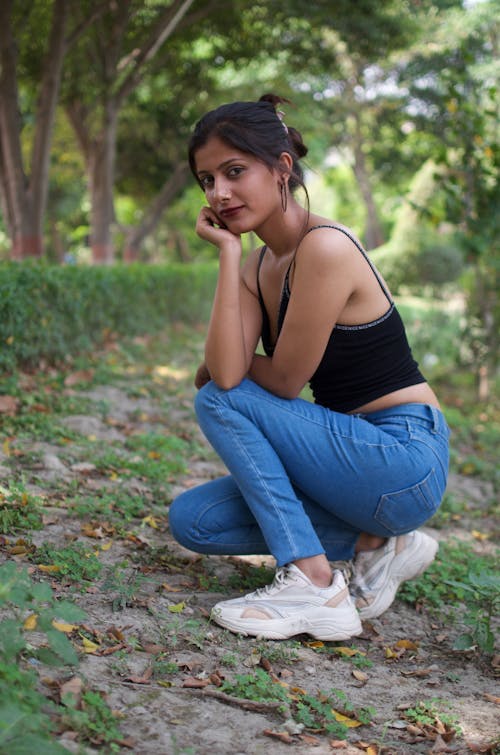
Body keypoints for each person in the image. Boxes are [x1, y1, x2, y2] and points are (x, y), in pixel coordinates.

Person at [168, 94, 450, 641]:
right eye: (207, 180)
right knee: (194, 521)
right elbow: (228, 371)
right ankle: (375, 543)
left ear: (281, 169)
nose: (219, 193)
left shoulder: (326, 247)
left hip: (402, 456)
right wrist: (229, 254)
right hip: (348, 465)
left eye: (234, 171)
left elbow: (269, 381)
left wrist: (223, 369)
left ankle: (314, 583)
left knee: (220, 398)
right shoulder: (255, 263)